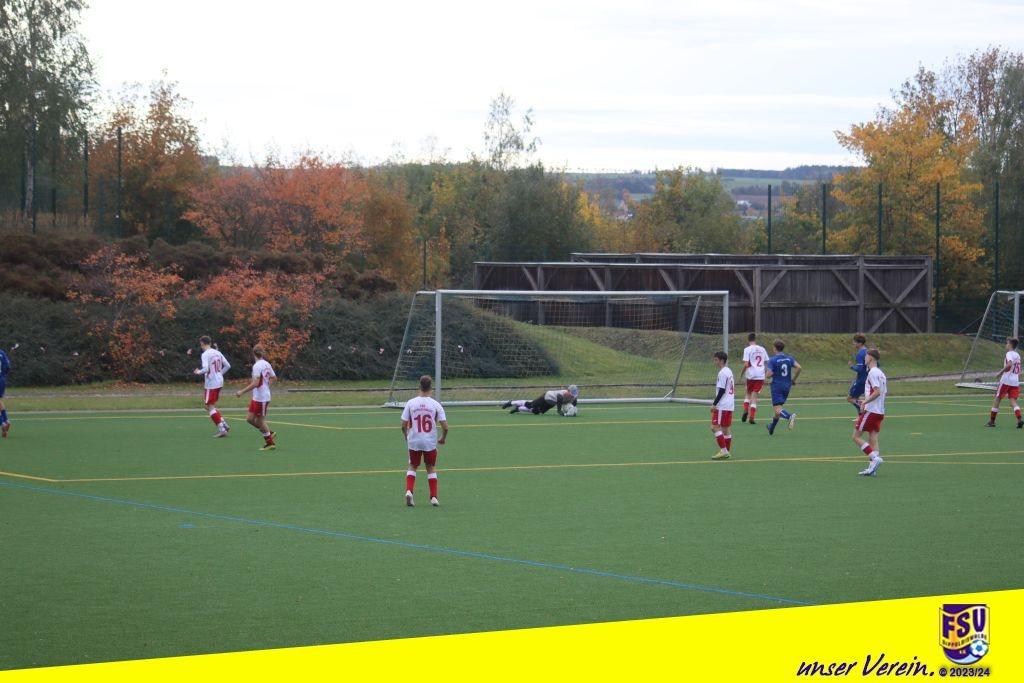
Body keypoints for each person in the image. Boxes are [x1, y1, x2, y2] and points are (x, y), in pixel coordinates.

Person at [401, 375, 449, 507]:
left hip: (414, 441)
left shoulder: (411, 403)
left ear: (419, 386)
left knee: (413, 466)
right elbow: (445, 427)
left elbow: (403, 425)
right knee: (430, 467)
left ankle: (409, 491)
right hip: (429, 442)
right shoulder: (436, 405)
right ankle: (433, 497)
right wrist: (443, 438)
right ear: (430, 388)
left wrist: (406, 437)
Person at [234, 345, 277, 451]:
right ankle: (269, 433)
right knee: (249, 419)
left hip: (262, 398)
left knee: (260, 421)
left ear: (253, 354)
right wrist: (267, 386)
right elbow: (273, 378)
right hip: (257, 397)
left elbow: (256, 383)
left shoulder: (257, 366)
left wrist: (242, 391)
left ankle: (270, 443)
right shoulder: (266, 364)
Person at [854, 349, 886, 476]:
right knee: (873, 438)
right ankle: (872, 469)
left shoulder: (873, 372)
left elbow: (877, 392)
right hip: (879, 411)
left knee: (856, 437)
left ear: (871, 358)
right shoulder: (881, 373)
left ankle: (875, 458)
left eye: (866, 356)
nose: (864, 358)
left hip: (872, 410)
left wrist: (864, 402)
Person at [193, 336, 231, 438]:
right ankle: (224, 424)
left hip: (211, 383)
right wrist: (219, 374)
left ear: (202, 343)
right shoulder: (217, 352)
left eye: (201, 344)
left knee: (209, 406)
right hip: (219, 381)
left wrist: (198, 372)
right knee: (209, 405)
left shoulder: (205, 354)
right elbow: (228, 365)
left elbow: (206, 369)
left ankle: (222, 429)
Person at [765, 339, 801, 436]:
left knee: (777, 409)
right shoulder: (789, 358)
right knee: (779, 409)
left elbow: (768, 375)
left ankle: (789, 416)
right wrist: (793, 380)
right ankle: (771, 427)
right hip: (787, 386)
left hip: (777, 386)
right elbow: (799, 367)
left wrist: (768, 374)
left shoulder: (772, 360)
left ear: (774, 348)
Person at [986, 337, 1022, 428]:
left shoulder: (1009, 353)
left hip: (1006, 380)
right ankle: (1019, 419)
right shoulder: (1018, 355)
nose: (1006, 345)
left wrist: (1000, 372)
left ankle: (992, 421)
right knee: (1013, 401)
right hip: (1015, 381)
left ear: (1010, 345)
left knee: (998, 398)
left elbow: (1009, 364)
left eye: (1007, 343)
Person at [710, 351, 735, 460]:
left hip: (723, 405)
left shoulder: (722, 373)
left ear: (721, 360)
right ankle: (726, 452)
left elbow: (721, 390)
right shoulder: (729, 371)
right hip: (729, 404)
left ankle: (724, 451)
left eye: (716, 360)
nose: (714, 362)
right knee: (725, 429)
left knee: (714, 427)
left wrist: (714, 404)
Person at [741, 333, 768, 425]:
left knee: (748, 393)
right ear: (755, 339)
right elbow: (766, 363)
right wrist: (765, 373)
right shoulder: (762, 349)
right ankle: (752, 416)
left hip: (751, 375)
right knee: (755, 396)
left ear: (748, 340)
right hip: (760, 375)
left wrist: (741, 373)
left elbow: (746, 364)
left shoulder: (747, 349)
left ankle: (745, 410)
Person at [502, 385, 579, 415]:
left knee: (536, 412)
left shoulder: (574, 397)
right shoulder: (563, 394)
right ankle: (511, 402)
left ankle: (518, 409)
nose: (572, 395)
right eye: (571, 393)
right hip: (547, 397)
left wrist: (572, 411)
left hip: (551, 403)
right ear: (568, 391)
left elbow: (574, 404)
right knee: (530, 405)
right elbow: (559, 400)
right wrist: (559, 411)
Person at [847, 333, 869, 417]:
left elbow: (860, 369)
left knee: (850, 398)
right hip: (867, 379)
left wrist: (851, 366)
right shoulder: (868, 352)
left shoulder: (860, 354)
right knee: (856, 398)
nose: (853, 343)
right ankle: (860, 415)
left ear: (860, 343)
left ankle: (864, 409)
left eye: (855, 342)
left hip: (861, 380)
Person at [0, 347, 10, 438]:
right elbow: (7, 367)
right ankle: (6, 420)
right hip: (1, 380)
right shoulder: (2, 352)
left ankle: (2, 423)